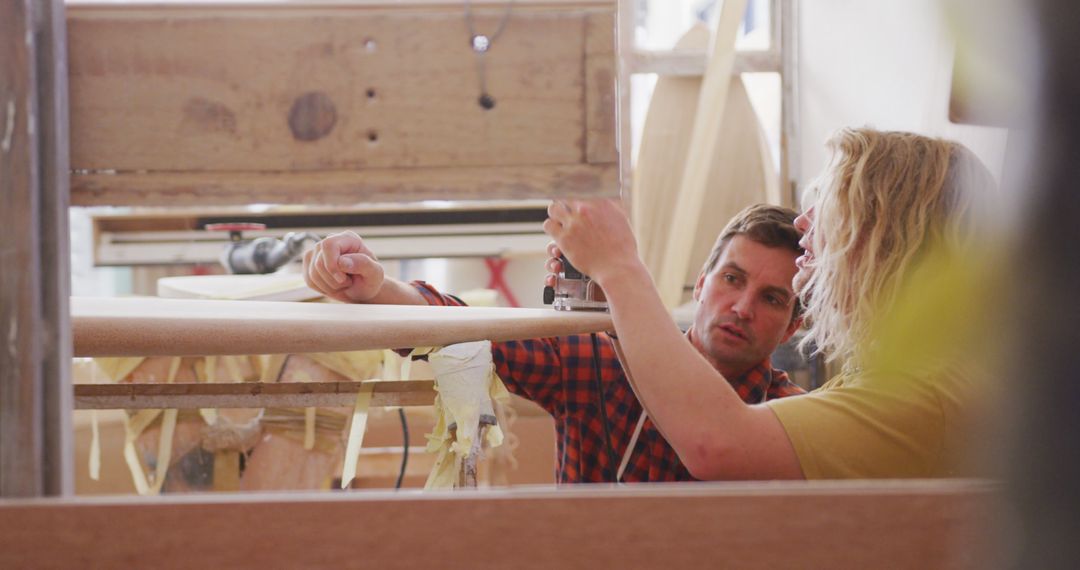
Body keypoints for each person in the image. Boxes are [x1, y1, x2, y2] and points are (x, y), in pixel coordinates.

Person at [545, 128, 996, 480]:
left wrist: (619, 267)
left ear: (889, 240)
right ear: (701, 284)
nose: (804, 223)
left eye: (833, 206)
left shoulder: (923, 399)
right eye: (732, 279)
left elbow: (715, 443)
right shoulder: (908, 381)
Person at [303, 204, 807, 483]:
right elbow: (459, 331)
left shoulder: (795, 421)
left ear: (791, 328)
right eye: (733, 279)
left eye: (771, 298)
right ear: (700, 284)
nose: (742, 307)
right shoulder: (603, 361)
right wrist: (377, 288)